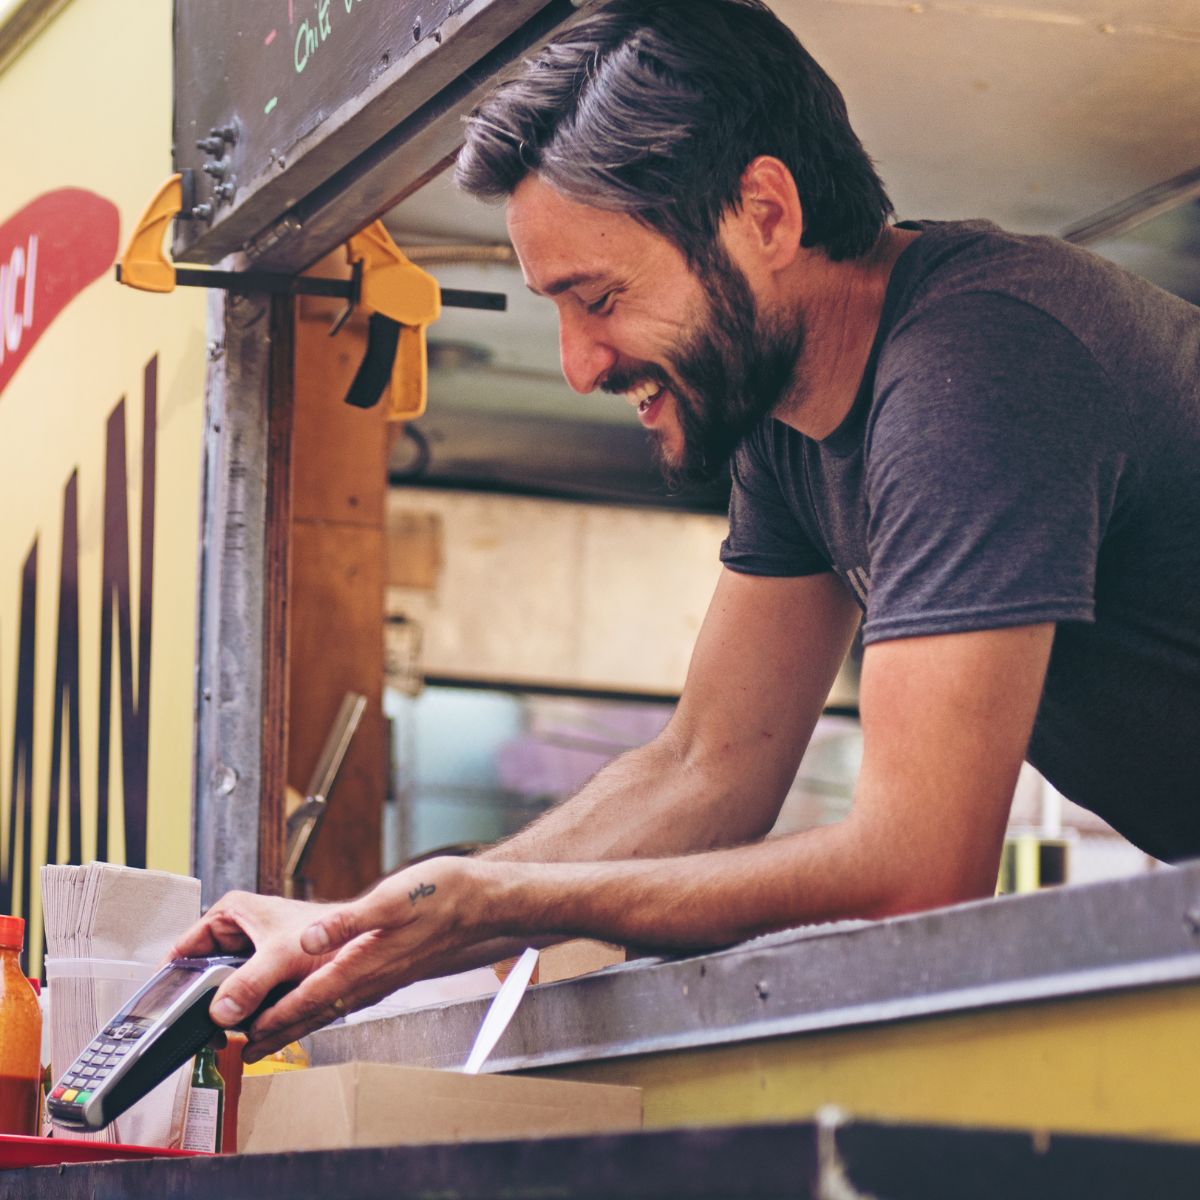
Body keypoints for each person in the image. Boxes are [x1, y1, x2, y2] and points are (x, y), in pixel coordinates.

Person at [172, 0, 1200, 1062]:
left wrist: (493, 901)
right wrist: (362, 931)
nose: (579, 364)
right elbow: (707, 769)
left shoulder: (980, 368)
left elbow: (918, 867)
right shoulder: (787, 422)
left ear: (765, 214)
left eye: (601, 297)